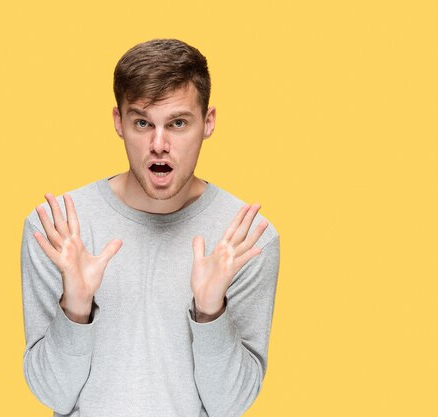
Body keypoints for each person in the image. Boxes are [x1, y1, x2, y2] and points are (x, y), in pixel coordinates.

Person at [20, 38, 280, 417]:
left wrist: (211, 313)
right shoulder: (59, 228)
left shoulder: (244, 238)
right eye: (142, 122)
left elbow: (231, 405)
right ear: (118, 122)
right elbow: (52, 394)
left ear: (207, 123)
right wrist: (75, 308)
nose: (159, 144)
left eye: (178, 123)